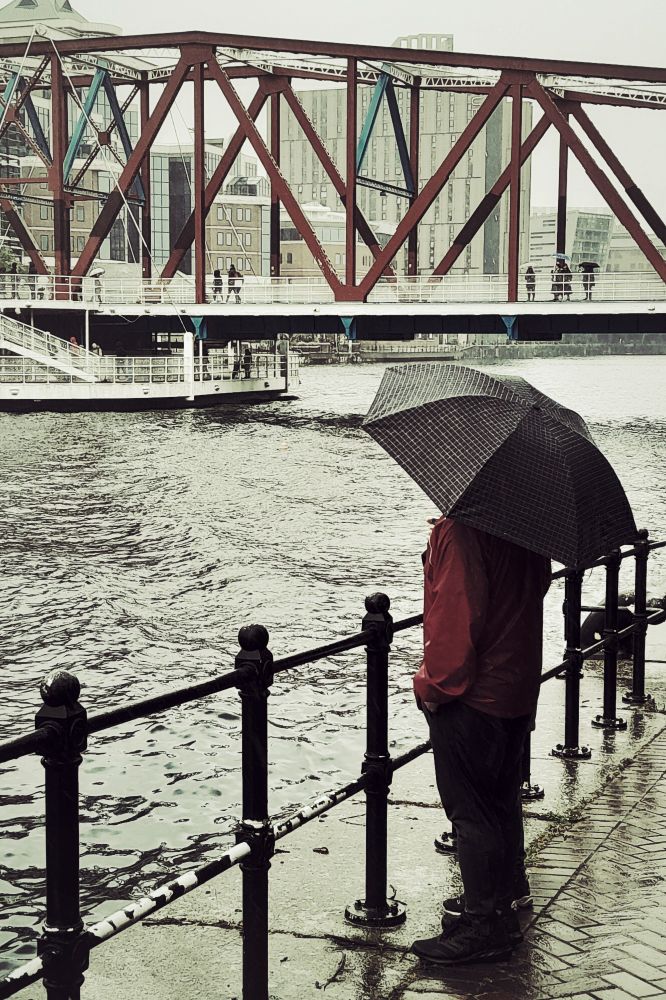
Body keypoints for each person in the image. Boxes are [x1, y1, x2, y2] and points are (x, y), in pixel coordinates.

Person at [411, 515, 551, 967]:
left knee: (470, 811)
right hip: (516, 686)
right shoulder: (527, 527)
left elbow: (456, 615)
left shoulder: (460, 530)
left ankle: (483, 923)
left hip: (473, 694)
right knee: (501, 799)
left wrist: (431, 688)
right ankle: (505, 897)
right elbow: (535, 589)